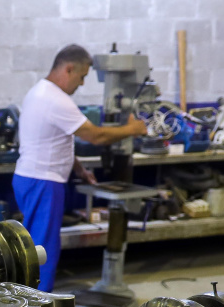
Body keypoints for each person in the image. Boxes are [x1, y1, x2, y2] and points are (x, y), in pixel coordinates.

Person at [12, 44, 147, 292]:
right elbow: (96, 136)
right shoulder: (56, 99)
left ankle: (29, 302)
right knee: (43, 249)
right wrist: (133, 129)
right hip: (44, 182)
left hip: (30, 178)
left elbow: (55, 139)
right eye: (82, 76)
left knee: (32, 246)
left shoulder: (38, 92)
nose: (82, 84)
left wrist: (79, 169)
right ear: (69, 68)